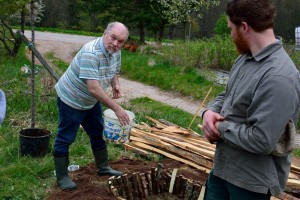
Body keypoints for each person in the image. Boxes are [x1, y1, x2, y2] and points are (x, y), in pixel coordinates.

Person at [202, 0, 300, 199]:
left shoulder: (279, 77)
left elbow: (261, 140)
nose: (230, 35)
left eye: (231, 28)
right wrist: (209, 112)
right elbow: (227, 95)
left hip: (250, 184)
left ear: (244, 27)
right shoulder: (245, 58)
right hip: (223, 169)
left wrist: (218, 128)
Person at [53, 22, 131, 191]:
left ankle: (103, 167)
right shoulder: (91, 52)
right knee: (66, 137)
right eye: (113, 38)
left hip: (90, 100)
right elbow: (94, 88)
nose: (116, 44)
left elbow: (114, 70)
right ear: (105, 33)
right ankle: (62, 177)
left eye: (121, 41)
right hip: (71, 99)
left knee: (98, 132)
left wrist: (115, 84)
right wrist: (117, 108)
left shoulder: (115, 52)